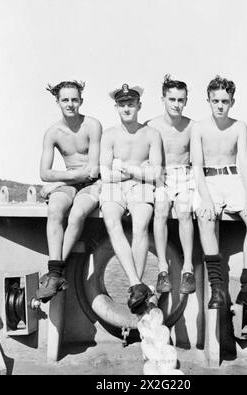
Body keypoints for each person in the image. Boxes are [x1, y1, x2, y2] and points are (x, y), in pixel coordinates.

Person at [191, 75, 247, 311]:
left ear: (232, 102)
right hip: (208, 181)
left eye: (225, 101)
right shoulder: (199, 128)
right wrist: (204, 197)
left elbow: (243, 161)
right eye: (216, 101)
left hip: (233, 179)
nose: (220, 106)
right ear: (209, 101)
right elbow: (196, 165)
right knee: (205, 217)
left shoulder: (239, 127)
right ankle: (217, 288)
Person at [99, 83, 162, 314]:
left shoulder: (151, 135)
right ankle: (136, 283)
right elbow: (105, 174)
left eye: (131, 104)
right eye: (122, 104)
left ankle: (136, 287)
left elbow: (155, 173)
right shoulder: (109, 135)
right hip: (114, 186)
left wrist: (125, 167)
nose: (127, 108)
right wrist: (137, 168)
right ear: (117, 107)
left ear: (139, 105)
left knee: (141, 224)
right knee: (111, 221)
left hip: (141, 186)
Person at [37, 80, 102, 302]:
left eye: (74, 99)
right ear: (58, 102)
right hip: (71, 182)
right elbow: (44, 173)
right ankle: (56, 274)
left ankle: (55, 272)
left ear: (81, 101)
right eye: (65, 100)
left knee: (77, 213)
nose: (70, 104)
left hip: (93, 184)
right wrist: (68, 178)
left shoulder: (92, 125)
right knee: (54, 208)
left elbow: (92, 170)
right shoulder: (52, 133)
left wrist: (59, 180)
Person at [147, 75, 196, 294]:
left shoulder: (192, 127)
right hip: (161, 177)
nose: (176, 104)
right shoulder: (152, 126)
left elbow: (197, 161)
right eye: (172, 99)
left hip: (185, 176)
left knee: (184, 212)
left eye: (181, 100)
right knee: (161, 210)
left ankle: (187, 269)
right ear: (163, 99)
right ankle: (162, 269)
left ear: (186, 101)